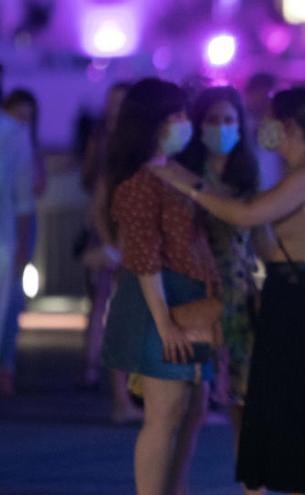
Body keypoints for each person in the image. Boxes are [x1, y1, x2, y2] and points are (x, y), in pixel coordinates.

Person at [152, 86, 305, 494]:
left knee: (289, 407)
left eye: (269, 118)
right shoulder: (292, 171)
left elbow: (247, 215)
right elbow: (267, 244)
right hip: (282, 293)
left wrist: (190, 185)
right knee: (269, 403)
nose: (261, 126)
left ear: (287, 125)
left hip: (300, 298)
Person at [100, 78, 218, 495]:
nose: (184, 123)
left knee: (191, 408)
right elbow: (145, 258)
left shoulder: (175, 173)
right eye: (174, 116)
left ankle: (175, 487)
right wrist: (165, 323)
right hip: (160, 302)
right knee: (165, 412)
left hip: (187, 296)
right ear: (149, 123)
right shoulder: (139, 184)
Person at [175, 85, 260, 481]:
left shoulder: (250, 172)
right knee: (189, 403)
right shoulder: (185, 173)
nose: (221, 128)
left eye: (229, 120)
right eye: (212, 120)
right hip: (198, 290)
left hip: (240, 294)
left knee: (243, 402)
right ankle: (173, 484)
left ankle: (251, 487)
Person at [77, 82, 141, 423]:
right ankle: (116, 391)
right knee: (112, 309)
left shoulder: (121, 142)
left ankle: (120, 391)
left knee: (117, 311)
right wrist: (109, 242)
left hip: (121, 240)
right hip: (117, 241)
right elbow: (96, 191)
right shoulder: (111, 143)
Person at [0, 66, 36, 398]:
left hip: (5, 236)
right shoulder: (15, 134)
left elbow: (25, 198)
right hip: (6, 236)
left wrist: (23, 245)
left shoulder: (14, 133)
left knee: (7, 306)